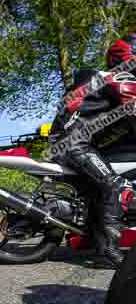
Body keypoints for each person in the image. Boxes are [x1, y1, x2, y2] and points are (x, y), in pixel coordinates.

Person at [49, 37, 136, 267]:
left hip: (69, 140)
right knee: (116, 186)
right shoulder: (121, 78)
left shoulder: (101, 78)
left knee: (98, 191)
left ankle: (90, 239)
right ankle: (108, 251)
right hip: (74, 143)